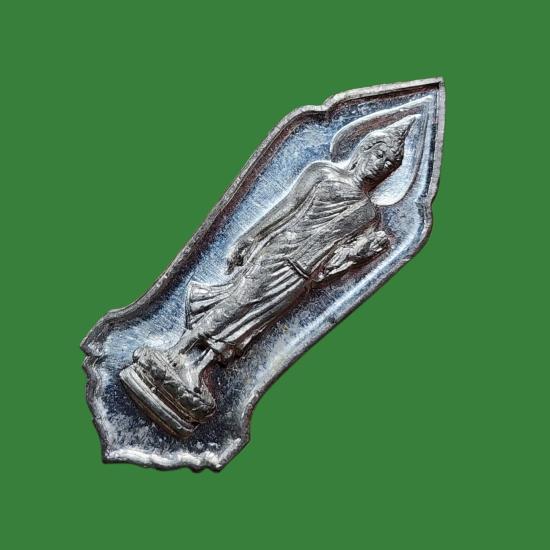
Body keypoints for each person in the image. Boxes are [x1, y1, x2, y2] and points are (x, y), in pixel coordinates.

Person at [121, 115, 417, 437]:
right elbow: (285, 208)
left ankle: (198, 366)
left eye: (389, 164)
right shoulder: (323, 174)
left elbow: (335, 257)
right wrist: (248, 237)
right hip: (279, 252)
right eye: (379, 154)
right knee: (236, 304)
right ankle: (177, 350)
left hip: (302, 275)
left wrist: (358, 255)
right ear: (364, 149)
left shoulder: (368, 214)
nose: (380, 165)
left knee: (252, 324)